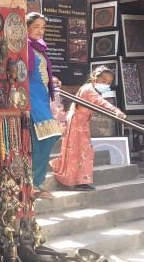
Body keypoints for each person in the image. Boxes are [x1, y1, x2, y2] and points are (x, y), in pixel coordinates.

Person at [51, 66, 124, 191]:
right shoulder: (89, 89)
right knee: (79, 152)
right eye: (103, 81)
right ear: (94, 79)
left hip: (81, 123)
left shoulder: (90, 89)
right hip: (76, 123)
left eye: (109, 83)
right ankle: (77, 181)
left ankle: (80, 180)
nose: (106, 85)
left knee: (84, 152)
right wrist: (116, 110)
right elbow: (101, 102)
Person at [26, 12, 61, 199]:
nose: (40, 31)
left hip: (42, 96)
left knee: (45, 138)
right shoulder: (25, 47)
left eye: (43, 27)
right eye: (36, 27)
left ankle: (34, 183)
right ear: (26, 28)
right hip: (31, 96)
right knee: (47, 136)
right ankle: (33, 183)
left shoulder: (39, 48)